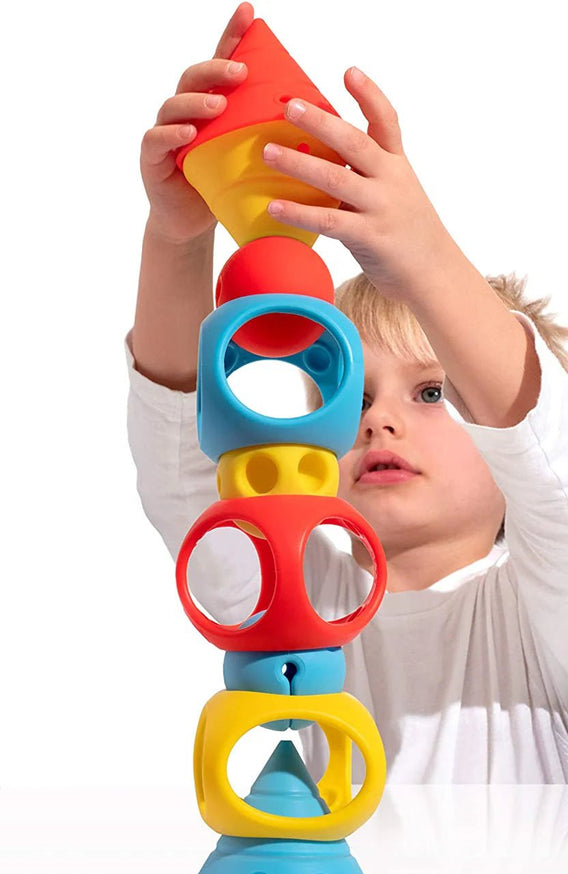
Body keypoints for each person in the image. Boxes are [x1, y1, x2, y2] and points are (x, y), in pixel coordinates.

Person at [126, 2, 568, 783]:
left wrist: (423, 255)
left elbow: (547, 457)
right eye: (352, 401)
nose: (379, 422)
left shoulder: (542, 606)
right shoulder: (308, 599)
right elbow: (185, 472)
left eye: (431, 393)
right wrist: (179, 237)